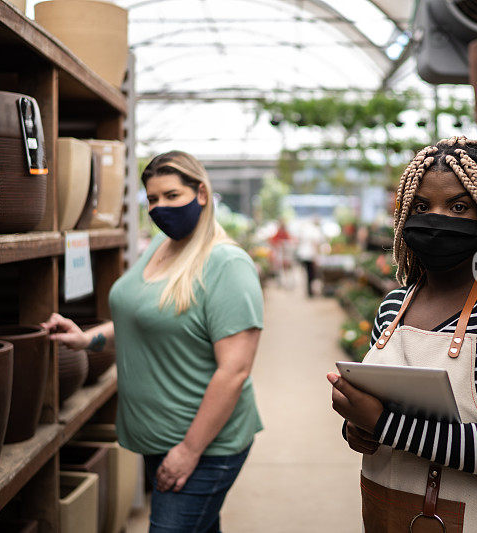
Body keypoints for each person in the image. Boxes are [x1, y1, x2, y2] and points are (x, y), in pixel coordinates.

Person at [327, 137, 477, 532]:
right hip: (387, 514)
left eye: (458, 206)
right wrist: (358, 429)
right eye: (421, 206)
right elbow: (376, 423)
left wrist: (384, 425)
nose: (436, 218)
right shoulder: (394, 306)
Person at [42, 151, 264, 533]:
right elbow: (142, 319)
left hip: (204, 445)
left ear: (202, 194)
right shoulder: (159, 248)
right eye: (152, 199)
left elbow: (235, 370)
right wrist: (86, 339)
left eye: (172, 196)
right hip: (159, 437)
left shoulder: (227, 265)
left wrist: (189, 451)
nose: (160, 208)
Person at [296, 216, 326, 297]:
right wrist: (316, 256)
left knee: (308, 273)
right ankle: (310, 291)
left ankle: (309, 290)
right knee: (311, 274)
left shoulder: (307, 229)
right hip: (310, 255)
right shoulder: (315, 231)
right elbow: (315, 244)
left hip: (303, 254)